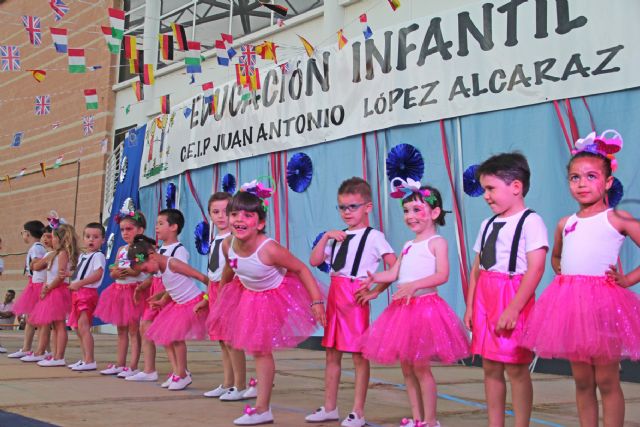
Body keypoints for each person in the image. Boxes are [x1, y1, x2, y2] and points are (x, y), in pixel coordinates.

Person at [522, 131, 640, 426]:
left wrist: (628, 280)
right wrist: (562, 270)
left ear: (608, 181)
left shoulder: (617, 219)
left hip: (603, 305)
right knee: (583, 381)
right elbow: (556, 257)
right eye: (575, 178)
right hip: (572, 308)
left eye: (590, 176)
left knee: (607, 380)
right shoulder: (565, 223)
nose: (582, 184)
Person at [208, 182, 326, 425]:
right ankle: (260, 403)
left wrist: (316, 301)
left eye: (248, 215)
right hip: (248, 293)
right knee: (255, 349)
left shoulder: (269, 249)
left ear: (260, 223)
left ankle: (262, 408)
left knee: (261, 350)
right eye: (234, 214)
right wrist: (221, 296)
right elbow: (231, 269)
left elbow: (302, 269)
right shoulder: (228, 244)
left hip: (276, 295)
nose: (239, 219)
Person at [359, 179, 470, 427]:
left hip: (425, 308)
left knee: (421, 368)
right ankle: (417, 418)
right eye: (406, 211)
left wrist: (415, 285)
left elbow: (442, 275)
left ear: (435, 212)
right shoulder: (408, 245)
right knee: (407, 368)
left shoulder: (437, 242)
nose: (410, 216)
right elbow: (394, 273)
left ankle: (430, 421)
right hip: (402, 310)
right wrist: (375, 278)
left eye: (417, 210)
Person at [463, 153, 548, 427]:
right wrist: (469, 305)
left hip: (513, 294)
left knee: (516, 366)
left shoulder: (530, 221)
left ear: (516, 187)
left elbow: (535, 269)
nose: (486, 196)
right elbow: (477, 268)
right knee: (489, 365)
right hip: (485, 296)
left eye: (491, 188)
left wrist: (514, 308)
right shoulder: (486, 224)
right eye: (484, 189)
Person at [307, 177, 396, 427]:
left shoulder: (374, 237)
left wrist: (378, 290)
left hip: (355, 295)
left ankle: (358, 410)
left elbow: (395, 266)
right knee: (332, 353)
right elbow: (314, 261)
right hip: (336, 293)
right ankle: (329, 407)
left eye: (353, 207)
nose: (347, 212)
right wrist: (325, 237)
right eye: (342, 207)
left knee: (359, 355)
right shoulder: (338, 236)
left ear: (367, 207)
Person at [127, 234, 209, 391]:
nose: (147, 272)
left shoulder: (172, 263)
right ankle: (180, 373)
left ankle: (183, 375)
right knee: (171, 338)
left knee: (176, 338)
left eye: (145, 268)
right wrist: (163, 300)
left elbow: (201, 277)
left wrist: (208, 297)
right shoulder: (161, 269)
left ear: (152, 256)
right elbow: (173, 288)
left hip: (191, 303)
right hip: (178, 304)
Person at [196, 192, 255, 400]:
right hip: (214, 289)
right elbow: (213, 271)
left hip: (230, 289)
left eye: (226, 212)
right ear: (209, 215)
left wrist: (225, 292)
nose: (221, 216)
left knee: (231, 339)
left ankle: (240, 385)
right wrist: (206, 298)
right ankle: (228, 382)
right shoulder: (215, 240)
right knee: (221, 339)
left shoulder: (234, 239)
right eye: (215, 212)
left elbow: (234, 268)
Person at [126, 208, 190, 383]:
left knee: (169, 333)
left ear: (174, 227)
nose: (156, 228)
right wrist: (142, 288)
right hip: (156, 290)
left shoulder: (179, 250)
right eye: (156, 224)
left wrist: (166, 296)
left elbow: (179, 276)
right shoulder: (160, 249)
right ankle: (149, 369)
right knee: (145, 326)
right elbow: (157, 274)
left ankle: (180, 371)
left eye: (161, 224)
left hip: (169, 294)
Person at [95, 206, 148, 377]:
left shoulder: (142, 248)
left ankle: (132, 366)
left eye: (129, 229)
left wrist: (130, 271)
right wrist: (114, 272)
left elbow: (139, 269)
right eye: (123, 230)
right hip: (119, 291)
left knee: (134, 330)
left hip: (134, 292)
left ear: (140, 230)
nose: (125, 233)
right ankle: (120, 363)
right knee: (121, 330)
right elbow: (114, 267)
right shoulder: (121, 249)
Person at [29, 224, 80, 366]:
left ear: (60, 238)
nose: (51, 239)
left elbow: (60, 276)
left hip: (57, 290)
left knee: (59, 325)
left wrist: (48, 288)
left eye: (53, 236)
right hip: (51, 289)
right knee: (55, 325)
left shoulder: (63, 254)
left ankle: (59, 357)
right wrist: (45, 285)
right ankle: (55, 355)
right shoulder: (56, 254)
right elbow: (49, 274)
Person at [66, 223, 106, 371]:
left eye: (95, 237)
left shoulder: (98, 255)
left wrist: (80, 283)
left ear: (102, 240)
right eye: (88, 236)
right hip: (78, 293)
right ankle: (84, 359)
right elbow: (80, 272)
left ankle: (90, 360)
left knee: (83, 327)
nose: (91, 240)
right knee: (77, 327)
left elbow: (98, 274)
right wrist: (70, 276)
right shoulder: (84, 256)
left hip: (87, 293)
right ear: (83, 238)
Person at [8, 221, 47, 359]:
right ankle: (27, 348)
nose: (23, 235)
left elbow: (37, 264)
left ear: (28, 233)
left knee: (37, 319)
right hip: (34, 283)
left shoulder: (36, 248)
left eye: (23, 233)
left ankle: (41, 349)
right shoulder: (39, 247)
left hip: (37, 285)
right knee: (30, 318)